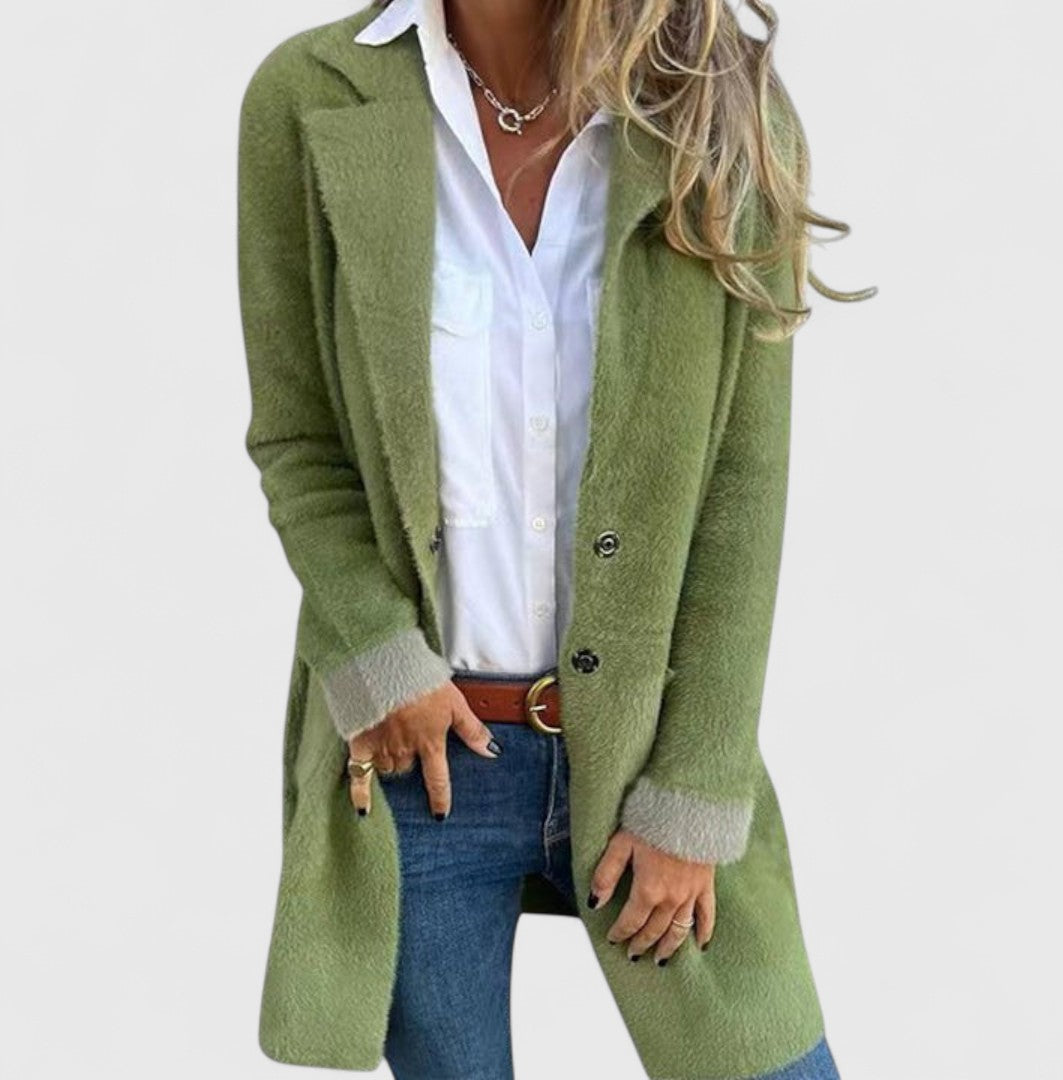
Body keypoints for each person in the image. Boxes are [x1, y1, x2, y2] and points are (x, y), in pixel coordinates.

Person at [236, 1, 874, 1077]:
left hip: (647, 755)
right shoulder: (308, 97)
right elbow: (298, 440)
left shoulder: (716, 109)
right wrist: (383, 661)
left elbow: (743, 490)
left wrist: (696, 793)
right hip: (421, 763)